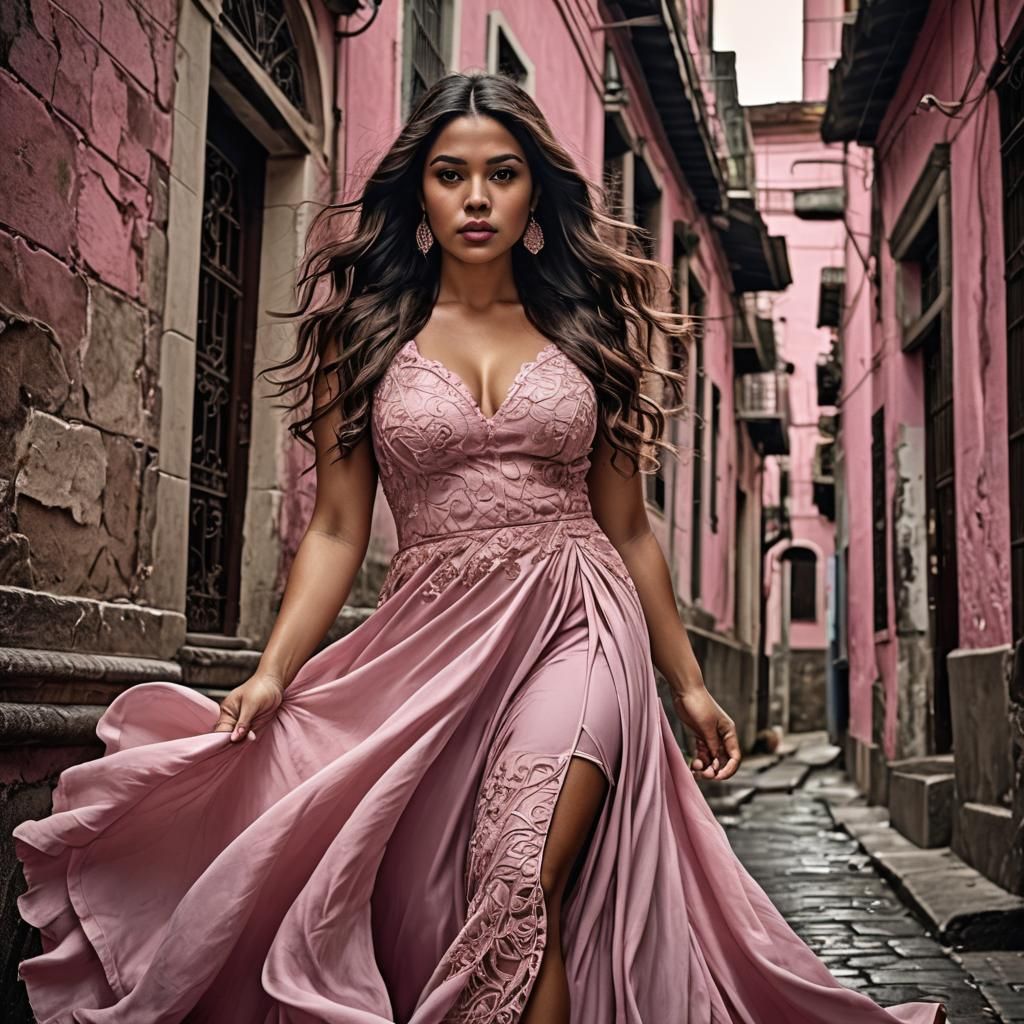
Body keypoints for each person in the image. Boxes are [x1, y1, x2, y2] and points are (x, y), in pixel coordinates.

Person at [12, 72, 946, 1024]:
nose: (476, 197)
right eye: (450, 174)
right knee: (436, 900)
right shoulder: (365, 335)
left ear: (535, 192)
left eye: (502, 174)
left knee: (516, 874)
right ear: (419, 192)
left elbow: (628, 525)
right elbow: (337, 526)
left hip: (580, 622)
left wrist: (689, 681)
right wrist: (273, 669)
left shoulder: (591, 329)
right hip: (435, 643)